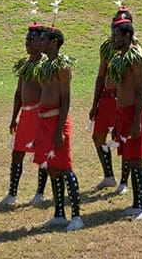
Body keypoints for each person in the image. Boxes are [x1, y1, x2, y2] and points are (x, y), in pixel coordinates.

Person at [32, 26, 84, 230]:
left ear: (54, 42)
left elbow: (66, 99)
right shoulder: (46, 65)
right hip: (44, 121)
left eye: (43, 38)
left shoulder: (62, 66)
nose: (39, 41)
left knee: (65, 167)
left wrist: (59, 130)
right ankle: (59, 213)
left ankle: (77, 216)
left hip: (56, 122)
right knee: (52, 168)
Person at [0, 23, 49, 206]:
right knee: (17, 153)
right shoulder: (25, 65)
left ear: (40, 42)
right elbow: (19, 93)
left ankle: (40, 193)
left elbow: (45, 93)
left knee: (41, 154)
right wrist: (13, 117)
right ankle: (12, 193)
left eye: (31, 39)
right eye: (26, 39)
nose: (27, 42)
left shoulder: (44, 65)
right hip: (25, 116)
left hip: (39, 115)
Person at [110, 17, 142, 220]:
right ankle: (137, 203)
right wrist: (118, 121)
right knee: (129, 159)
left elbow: (141, 90)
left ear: (127, 36)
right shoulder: (120, 58)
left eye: (117, 34)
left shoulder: (136, 57)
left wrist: (136, 121)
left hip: (136, 114)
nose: (113, 37)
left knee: (136, 161)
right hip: (123, 114)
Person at [88, 9, 128, 192]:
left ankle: (125, 182)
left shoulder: (134, 50)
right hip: (106, 98)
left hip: (124, 99)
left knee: (125, 140)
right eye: (113, 24)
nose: (114, 28)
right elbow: (100, 76)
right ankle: (109, 176)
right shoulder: (106, 48)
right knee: (98, 137)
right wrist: (94, 103)